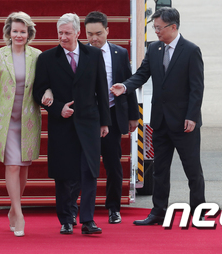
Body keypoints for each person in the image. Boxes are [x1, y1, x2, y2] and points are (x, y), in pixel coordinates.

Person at [111, 7, 206, 225]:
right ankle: (158, 211)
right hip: (161, 121)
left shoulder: (191, 50)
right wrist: (124, 87)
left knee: (192, 169)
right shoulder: (154, 49)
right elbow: (142, 75)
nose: (156, 32)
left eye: (159, 27)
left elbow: (196, 88)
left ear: (173, 27)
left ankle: (199, 211)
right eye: (154, 27)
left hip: (185, 123)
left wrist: (191, 116)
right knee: (159, 170)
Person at [33, 13, 111, 235]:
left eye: (67, 33)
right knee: (65, 175)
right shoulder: (47, 59)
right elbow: (38, 91)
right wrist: (58, 108)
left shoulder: (94, 55)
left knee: (89, 172)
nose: (63, 37)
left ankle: (87, 220)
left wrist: (105, 121)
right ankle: (67, 219)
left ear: (78, 33)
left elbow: (101, 90)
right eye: (60, 33)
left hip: (89, 123)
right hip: (62, 125)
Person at [70, 11, 139, 225]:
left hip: (111, 115)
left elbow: (129, 84)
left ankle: (113, 208)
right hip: (85, 119)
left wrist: (133, 115)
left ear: (108, 31)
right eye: (89, 34)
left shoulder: (119, 53)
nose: (94, 39)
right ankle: (73, 209)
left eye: (98, 33)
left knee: (113, 164)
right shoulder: (77, 54)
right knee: (79, 165)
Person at [0, 11, 41, 237]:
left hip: (27, 119)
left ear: (29, 33)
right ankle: (19, 213)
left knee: (24, 166)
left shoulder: (37, 56)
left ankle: (12, 210)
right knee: (12, 165)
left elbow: (44, 82)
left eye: (22, 32)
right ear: (9, 32)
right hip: (4, 120)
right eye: (15, 31)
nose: (18, 35)